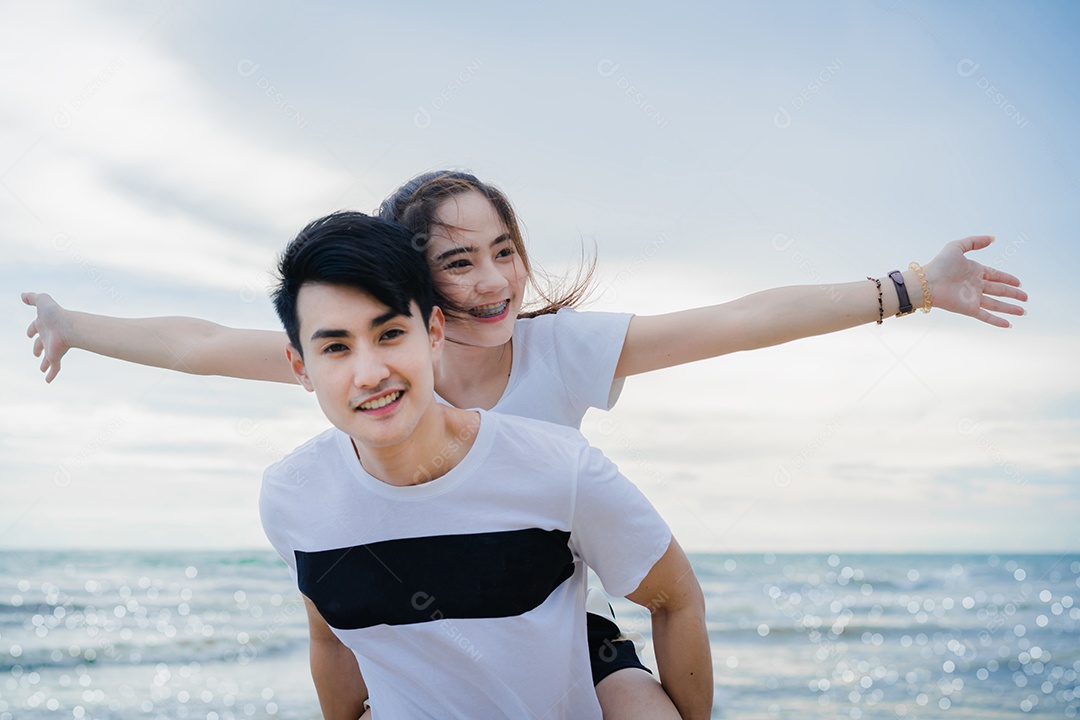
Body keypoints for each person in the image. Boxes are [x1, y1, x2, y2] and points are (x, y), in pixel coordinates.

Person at [22, 171, 1028, 717]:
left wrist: (908, 290)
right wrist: (74, 322)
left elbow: (739, 318)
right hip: (427, 637)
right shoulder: (366, 359)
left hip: (559, 627)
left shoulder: (564, 347)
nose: (499, 280)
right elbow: (195, 345)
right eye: (461, 261)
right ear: (410, 290)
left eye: (507, 250)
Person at [260, 210, 711, 719]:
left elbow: (674, 599)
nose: (370, 374)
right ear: (301, 368)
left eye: (389, 335)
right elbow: (335, 642)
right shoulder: (293, 494)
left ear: (432, 333)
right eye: (337, 347)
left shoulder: (559, 469)